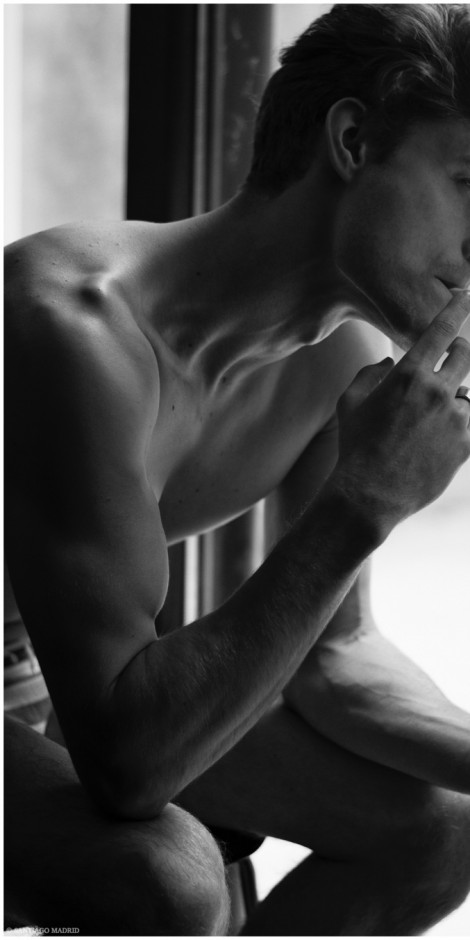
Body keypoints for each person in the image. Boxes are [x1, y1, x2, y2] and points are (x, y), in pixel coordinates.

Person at [4, 3, 470, 935]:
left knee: (441, 835)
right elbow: (129, 766)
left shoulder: (339, 364)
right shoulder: (75, 325)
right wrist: (362, 503)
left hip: (50, 688)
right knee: (169, 881)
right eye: (468, 184)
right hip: (77, 706)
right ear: (353, 141)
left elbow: (337, 662)